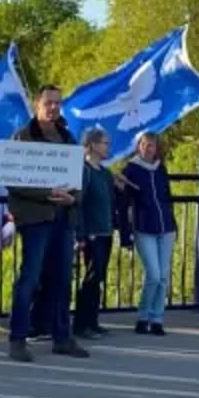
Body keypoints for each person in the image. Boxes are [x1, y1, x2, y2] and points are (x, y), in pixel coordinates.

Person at [7, 84, 87, 363]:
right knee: (29, 278)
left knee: (62, 279)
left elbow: (79, 178)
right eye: (48, 103)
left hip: (63, 219)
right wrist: (47, 194)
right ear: (36, 105)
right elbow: (15, 181)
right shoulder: (24, 136)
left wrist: (72, 198)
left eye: (57, 103)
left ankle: (62, 337)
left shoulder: (67, 137)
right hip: (36, 218)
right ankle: (17, 338)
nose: (53, 108)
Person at [122, 131, 176, 336]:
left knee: (163, 276)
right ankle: (142, 315)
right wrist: (126, 233)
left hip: (166, 226)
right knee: (152, 274)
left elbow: (167, 196)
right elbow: (124, 202)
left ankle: (157, 318)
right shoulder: (131, 170)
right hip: (144, 226)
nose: (147, 148)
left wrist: (171, 219)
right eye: (144, 144)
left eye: (151, 145)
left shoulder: (160, 168)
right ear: (138, 147)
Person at [73, 126, 118, 340]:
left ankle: (93, 321)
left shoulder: (106, 173)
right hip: (92, 232)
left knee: (98, 277)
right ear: (92, 145)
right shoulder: (85, 171)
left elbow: (111, 201)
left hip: (105, 230)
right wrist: (81, 234)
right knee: (90, 277)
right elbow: (79, 204)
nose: (107, 146)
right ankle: (82, 323)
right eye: (104, 143)